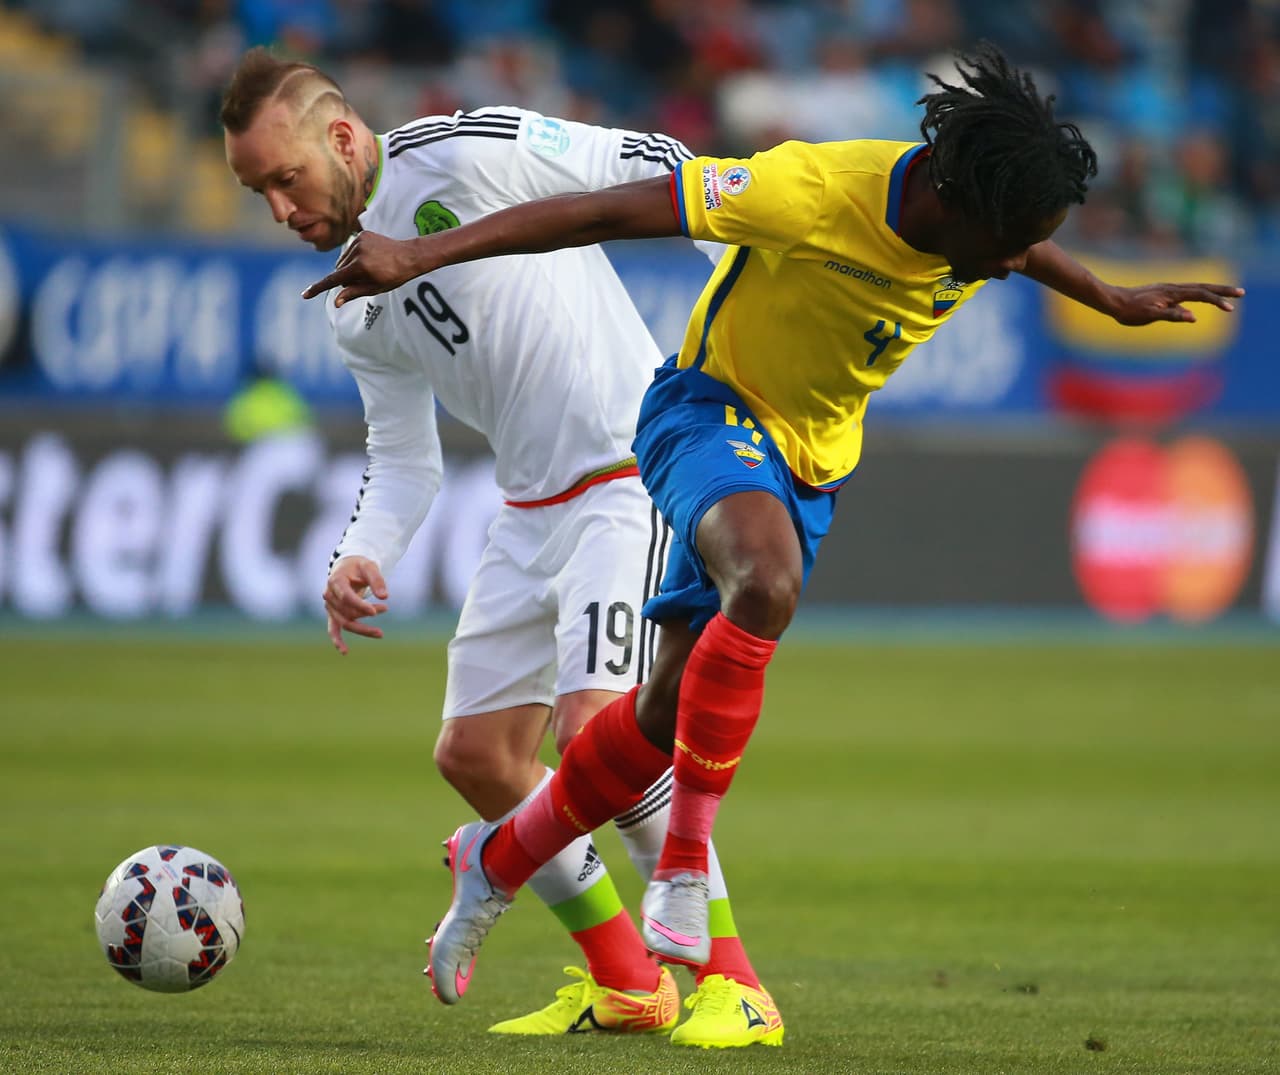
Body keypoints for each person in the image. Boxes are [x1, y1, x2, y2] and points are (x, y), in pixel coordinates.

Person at [301, 42, 1245, 1011]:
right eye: (1006, 243)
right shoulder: (811, 191)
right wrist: (417, 253)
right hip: (704, 413)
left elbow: (1025, 242)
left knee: (655, 719)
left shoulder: (980, 214)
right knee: (765, 581)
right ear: (953, 199)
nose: (1010, 265)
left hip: (809, 458)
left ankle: (497, 860)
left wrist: (1109, 297)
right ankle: (684, 880)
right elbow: (600, 212)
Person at [221, 48, 784, 1048]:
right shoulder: (354, 305)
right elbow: (404, 459)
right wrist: (360, 552)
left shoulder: (470, 150)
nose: (278, 209)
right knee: (476, 754)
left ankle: (734, 981)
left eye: (285, 178)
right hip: (528, 510)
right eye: (257, 191)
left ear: (342, 137)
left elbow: (658, 161)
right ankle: (628, 980)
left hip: (629, 471)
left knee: (595, 727)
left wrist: (752, 312)